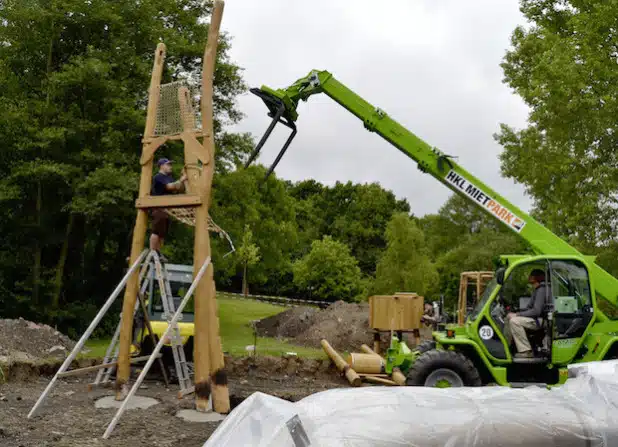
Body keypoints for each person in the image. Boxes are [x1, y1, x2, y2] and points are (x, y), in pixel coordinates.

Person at [503, 269, 551, 358]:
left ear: (536, 278)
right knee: (508, 318)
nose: (529, 277)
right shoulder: (537, 289)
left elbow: (536, 311)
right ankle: (508, 347)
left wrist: (517, 315)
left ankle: (526, 351)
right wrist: (517, 311)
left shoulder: (542, 290)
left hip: (540, 320)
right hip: (536, 318)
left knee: (514, 321)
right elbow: (530, 308)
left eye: (531, 275)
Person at [149, 158, 187, 257]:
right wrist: (181, 179)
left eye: (171, 165)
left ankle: (158, 252)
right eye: (168, 164)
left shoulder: (169, 178)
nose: (170, 166)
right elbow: (170, 187)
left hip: (167, 209)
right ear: (161, 166)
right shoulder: (159, 177)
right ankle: (152, 252)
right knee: (156, 230)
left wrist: (184, 179)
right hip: (158, 207)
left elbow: (178, 188)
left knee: (162, 233)